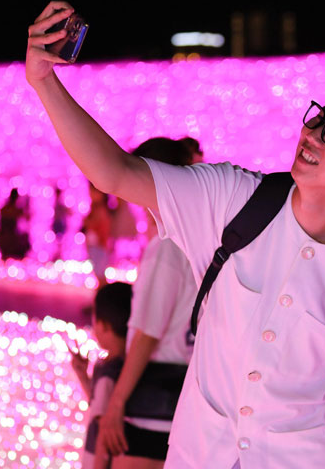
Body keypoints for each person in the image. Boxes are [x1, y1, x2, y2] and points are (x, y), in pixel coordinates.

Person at [26, 1, 325, 468]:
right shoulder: (234, 199)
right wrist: (42, 79)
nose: (314, 133)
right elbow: (114, 172)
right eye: (320, 118)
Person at [96, 137, 196, 469]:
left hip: (154, 399)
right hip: (188, 394)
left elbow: (147, 334)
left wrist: (117, 402)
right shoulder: (198, 238)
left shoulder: (167, 247)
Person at [71, 282, 132, 469]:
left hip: (97, 460)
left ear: (103, 326)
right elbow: (100, 403)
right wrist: (83, 375)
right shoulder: (127, 366)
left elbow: (102, 428)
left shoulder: (108, 374)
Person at [83, 182, 113, 287]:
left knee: (100, 275)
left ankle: (104, 298)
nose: (91, 194)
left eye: (94, 192)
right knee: (98, 274)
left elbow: (104, 229)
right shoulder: (94, 208)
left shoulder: (101, 210)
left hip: (99, 246)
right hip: (95, 246)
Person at [0, 188, 31, 260]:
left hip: (5, 236)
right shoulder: (13, 209)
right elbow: (26, 217)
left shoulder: (6, 208)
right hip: (9, 237)